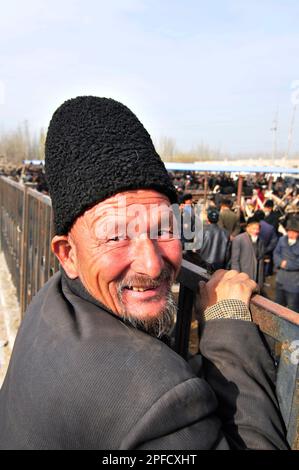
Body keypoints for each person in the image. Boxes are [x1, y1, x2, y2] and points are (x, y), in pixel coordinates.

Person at [0, 97, 287, 450]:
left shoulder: (50, 302)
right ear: (68, 253)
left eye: (165, 229)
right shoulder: (155, 396)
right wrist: (227, 323)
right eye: (117, 235)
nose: (151, 264)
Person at [231, 216, 265, 290]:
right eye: (254, 229)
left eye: (258, 229)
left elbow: (260, 257)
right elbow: (235, 260)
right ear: (248, 228)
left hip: (256, 274)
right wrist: (237, 276)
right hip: (243, 273)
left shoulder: (260, 240)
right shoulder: (239, 239)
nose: (256, 231)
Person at [273, 217, 299, 313]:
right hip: (280, 279)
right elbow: (276, 253)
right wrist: (280, 262)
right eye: (289, 231)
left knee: (293, 309)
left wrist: (287, 264)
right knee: (278, 306)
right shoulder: (282, 240)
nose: (291, 234)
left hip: (294, 283)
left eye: (294, 232)